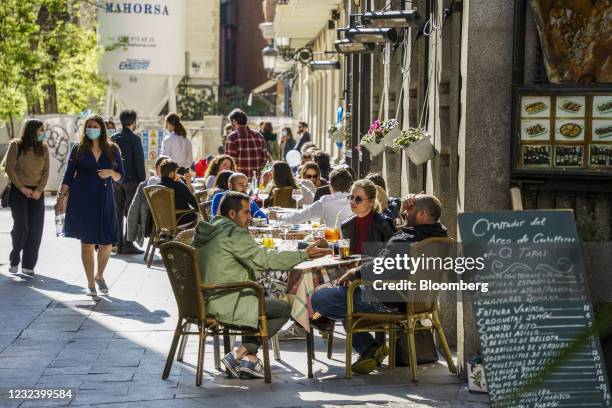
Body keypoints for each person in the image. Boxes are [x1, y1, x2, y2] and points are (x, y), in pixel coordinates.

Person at [191, 191, 330, 379]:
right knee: (283, 308)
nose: (251, 217)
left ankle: (250, 360)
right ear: (232, 214)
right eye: (246, 213)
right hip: (226, 300)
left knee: (259, 297)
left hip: (204, 298)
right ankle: (239, 354)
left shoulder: (211, 229)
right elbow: (265, 260)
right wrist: (304, 254)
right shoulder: (233, 233)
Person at [312, 194, 448, 374]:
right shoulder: (439, 236)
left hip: (390, 301)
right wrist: (403, 214)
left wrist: (355, 272)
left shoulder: (407, 240)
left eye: (409, 210)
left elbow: (381, 268)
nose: (405, 213)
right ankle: (367, 348)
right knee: (345, 297)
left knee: (320, 298)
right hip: (418, 301)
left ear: (422, 214)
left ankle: (369, 347)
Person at [54, 115, 124, 297]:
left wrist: (110, 172)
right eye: (88, 126)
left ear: (101, 129)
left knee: (107, 242)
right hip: (82, 199)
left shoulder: (113, 149)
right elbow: (69, 175)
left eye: (94, 126)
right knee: (87, 243)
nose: (91, 129)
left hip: (105, 198)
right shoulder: (78, 150)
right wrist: (60, 198)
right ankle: (90, 283)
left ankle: (99, 275)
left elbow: (121, 176)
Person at [5, 119, 49, 276]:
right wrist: (22, 188)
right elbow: (9, 169)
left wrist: (39, 190)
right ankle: (15, 256)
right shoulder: (16, 145)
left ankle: (28, 264)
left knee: (35, 229)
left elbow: (46, 172)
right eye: (41, 130)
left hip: (37, 193)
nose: (43, 133)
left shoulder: (44, 148)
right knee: (21, 226)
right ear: (32, 131)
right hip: (18, 191)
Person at [111, 110, 146, 255]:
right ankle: (128, 244)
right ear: (134, 122)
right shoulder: (135, 139)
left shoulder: (113, 137)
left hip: (116, 179)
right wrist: (143, 182)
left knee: (117, 212)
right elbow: (139, 162)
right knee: (131, 213)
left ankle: (117, 243)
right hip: (132, 182)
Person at [274, 168, 352, 233]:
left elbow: (300, 217)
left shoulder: (325, 202)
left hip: (333, 243)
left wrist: (279, 217)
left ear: (330, 186)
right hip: (354, 244)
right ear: (349, 187)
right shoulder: (356, 201)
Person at [341, 179, 395, 255]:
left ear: (371, 202)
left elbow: (392, 255)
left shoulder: (384, 223)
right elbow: (345, 255)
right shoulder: (346, 226)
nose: (352, 202)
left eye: (358, 199)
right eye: (351, 197)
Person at [126, 155, 169, 247]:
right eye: (168, 167)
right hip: (157, 218)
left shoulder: (173, 179)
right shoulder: (154, 180)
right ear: (158, 168)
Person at [224, 109, 268, 178]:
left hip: (238, 181)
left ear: (234, 122)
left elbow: (229, 161)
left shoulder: (232, 137)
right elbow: (265, 159)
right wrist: (257, 170)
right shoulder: (259, 136)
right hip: (256, 179)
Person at [158, 160, 199, 228]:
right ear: (171, 173)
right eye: (176, 172)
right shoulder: (179, 186)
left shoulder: (156, 188)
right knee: (200, 214)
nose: (177, 174)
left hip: (163, 224)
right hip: (181, 221)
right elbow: (196, 204)